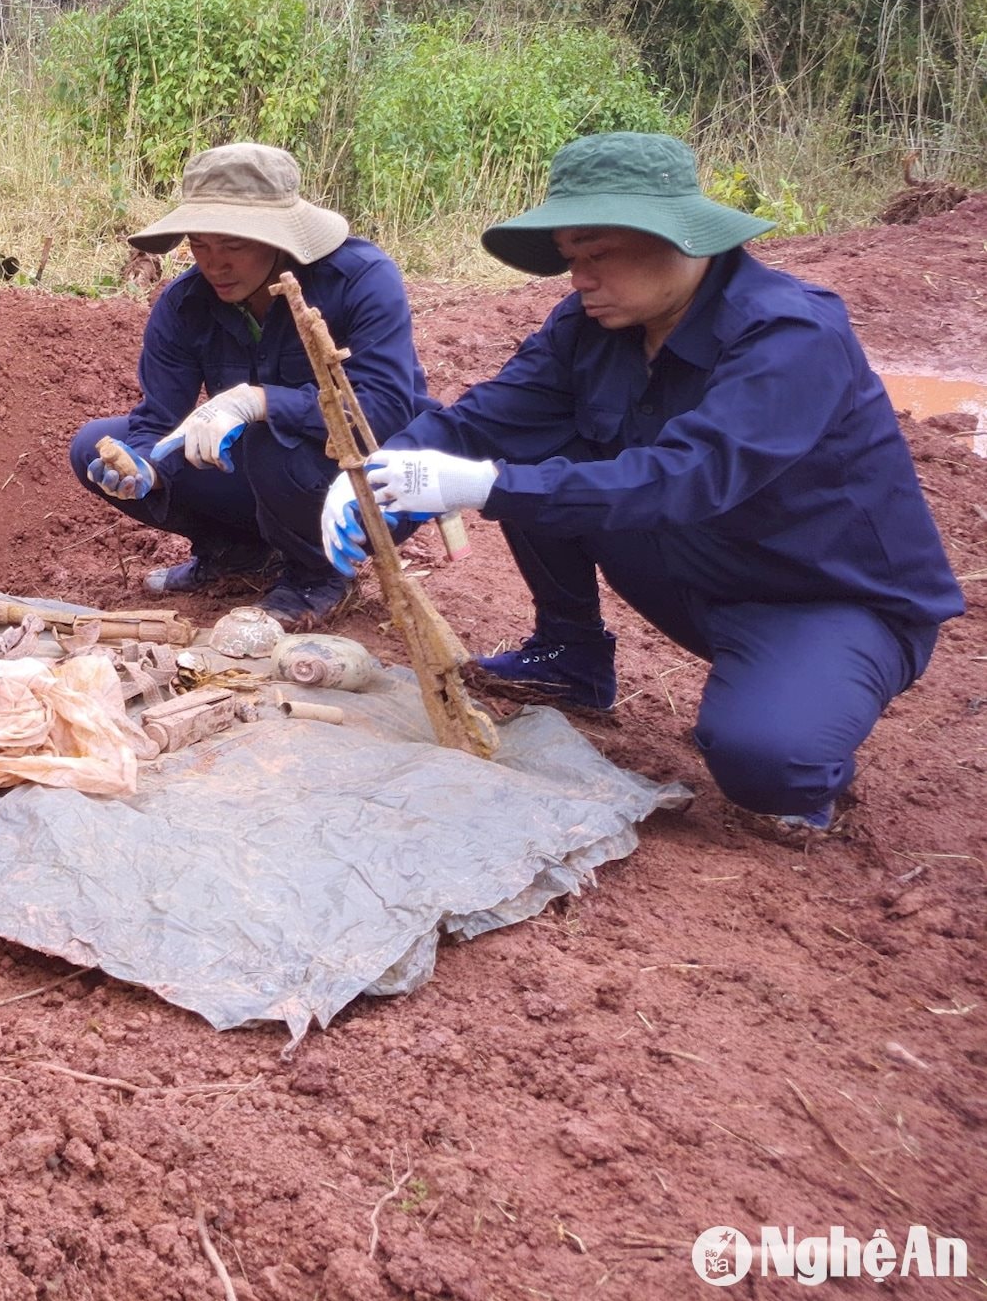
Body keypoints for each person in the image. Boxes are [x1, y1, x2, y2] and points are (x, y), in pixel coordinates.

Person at [323, 132, 963, 830]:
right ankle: (571, 652)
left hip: (820, 596)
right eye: (572, 258)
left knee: (767, 758)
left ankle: (808, 716)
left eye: (598, 255)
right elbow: (484, 419)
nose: (579, 279)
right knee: (536, 446)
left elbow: (686, 476)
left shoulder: (790, 335)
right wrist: (374, 483)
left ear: (682, 239)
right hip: (688, 565)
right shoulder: (592, 326)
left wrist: (478, 484)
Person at [69, 142, 431, 628]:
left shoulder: (361, 279)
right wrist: (141, 467)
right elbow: (158, 421)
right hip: (270, 478)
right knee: (92, 444)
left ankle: (318, 576)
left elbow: (384, 410)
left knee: (269, 435)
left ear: (278, 238)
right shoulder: (185, 304)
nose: (214, 265)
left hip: (374, 483)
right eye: (200, 244)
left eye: (234, 247)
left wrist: (258, 401)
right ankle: (237, 553)